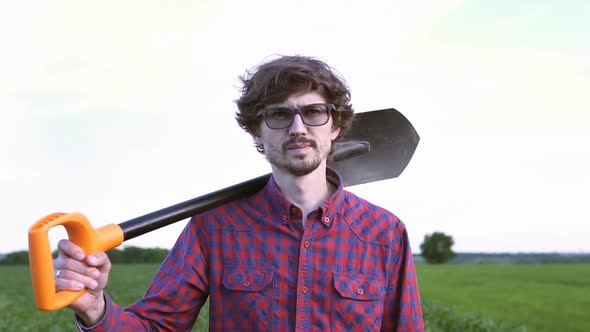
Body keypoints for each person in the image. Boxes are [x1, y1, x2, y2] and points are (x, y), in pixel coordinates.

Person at [54, 55, 424, 331]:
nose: (298, 127)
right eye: (279, 115)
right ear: (256, 131)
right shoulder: (213, 228)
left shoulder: (384, 233)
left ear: (337, 127)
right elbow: (157, 327)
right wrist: (95, 308)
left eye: (313, 112)